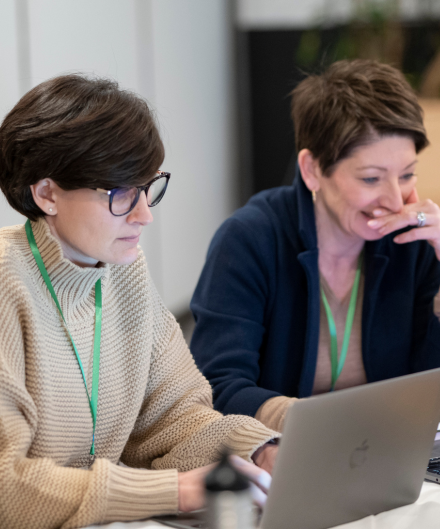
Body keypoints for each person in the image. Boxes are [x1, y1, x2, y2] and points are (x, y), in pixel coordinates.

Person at [0, 75, 280, 529]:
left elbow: (174, 419)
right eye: (120, 194)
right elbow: (6, 487)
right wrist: (177, 490)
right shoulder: (6, 286)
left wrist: (261, 449)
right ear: (46, 193)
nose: (144, 214)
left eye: (148, 187)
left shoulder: (123, 271)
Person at [190, 59, 440, 433]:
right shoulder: (249, 240)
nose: (394, 198)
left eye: (406, 175)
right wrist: (319, 426)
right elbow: (216, 388)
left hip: (395, 456)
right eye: (371, 178)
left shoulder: (417, 243)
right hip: (283, 454)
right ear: (312, 170)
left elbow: (429, 390)